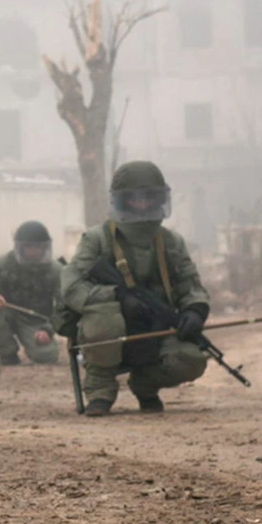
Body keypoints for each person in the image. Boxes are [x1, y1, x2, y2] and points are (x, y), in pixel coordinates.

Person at [61, 160, 209, 417]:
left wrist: (194, 311)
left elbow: (190, 284)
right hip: (108, 326)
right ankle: (100, 391)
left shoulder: (171, 242)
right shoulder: (97, 239)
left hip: (154, 327)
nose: (141, 204)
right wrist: (115, 297)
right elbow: (71, 286)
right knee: (104, 316)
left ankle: (145, 384)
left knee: (192, 358)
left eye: (148, 197)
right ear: (121, 201)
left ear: (159, 199)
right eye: (134, 199)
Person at [0, 221, 61, 366]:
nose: (33, 251)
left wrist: (48, 330)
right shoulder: (4, 262)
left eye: (37, 247)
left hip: (35, 321)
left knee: (46, 357)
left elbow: (64, 306)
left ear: (45, 247)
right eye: (28, 247)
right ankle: (8, 354)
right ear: (20, 247)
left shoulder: (56, 270)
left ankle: (39, 347)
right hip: (5, 313)